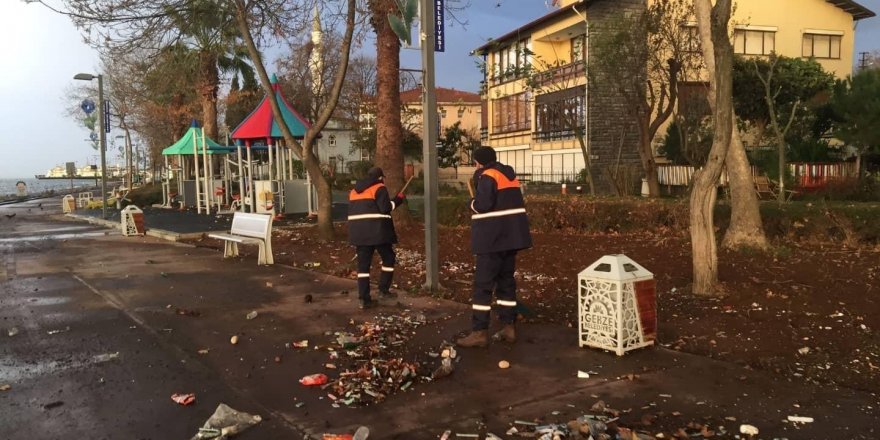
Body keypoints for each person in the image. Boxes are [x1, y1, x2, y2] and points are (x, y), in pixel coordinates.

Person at [457, 146, 532, 348]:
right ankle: (509, 327)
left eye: (475, 162)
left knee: (483, 286)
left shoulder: (487, 175)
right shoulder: (509, 176)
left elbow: (483, 205)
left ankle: (479, 332)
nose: (475, 166)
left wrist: (471, 203)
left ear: (479, 162)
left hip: (492, 239)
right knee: (506, 282)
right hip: (512, 238)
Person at [348, 167, 406, 309]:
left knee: (363, 266)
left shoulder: (354, 191)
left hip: (359, 233)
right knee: (388, 258)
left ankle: (364, 299)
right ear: (380, 178)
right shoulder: (379, 188)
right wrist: (398, 199)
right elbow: (385, 208)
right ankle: (383, 290)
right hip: (378, 233)